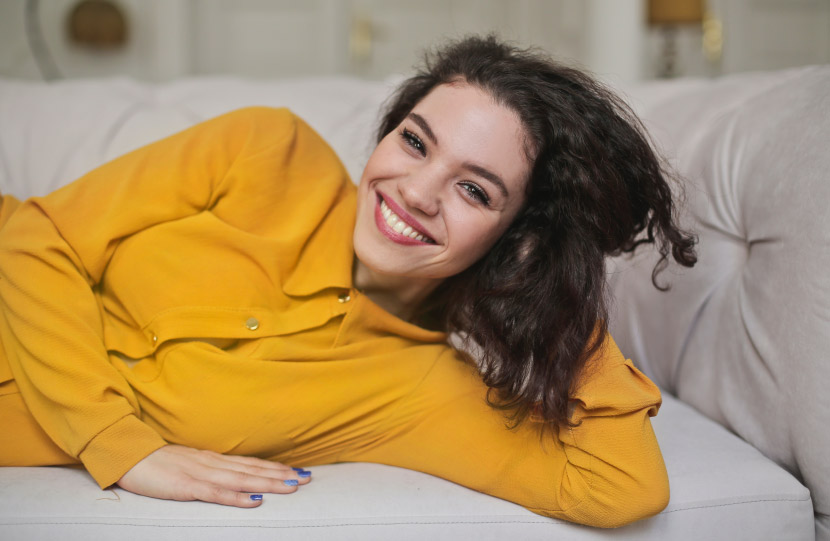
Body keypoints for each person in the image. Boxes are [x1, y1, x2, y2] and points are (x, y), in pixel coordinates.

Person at [0, 35, 696, 528]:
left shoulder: (416, 388)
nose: (417, 191)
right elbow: (36, 236)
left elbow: (619, 485)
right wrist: (120, 444)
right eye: (415, 141)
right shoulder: (265, 149)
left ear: (517, 238)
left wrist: (557, 293)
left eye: (475, 191)